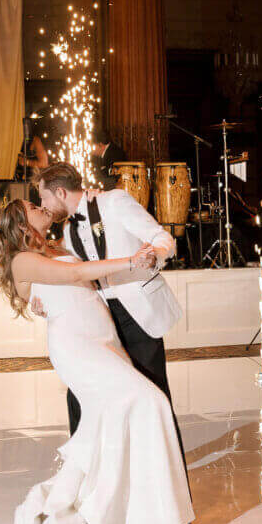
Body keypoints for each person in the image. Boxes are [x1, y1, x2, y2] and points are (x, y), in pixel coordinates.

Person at [0, 198, 194, 524]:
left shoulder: (56, 245)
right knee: (150, 400)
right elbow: (73, 274)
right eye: (32, 206)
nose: (40, 207)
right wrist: (132, 260)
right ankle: (154, 509)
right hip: (78, 347)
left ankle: (118, 507)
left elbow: (74, 283)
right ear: (22, 224)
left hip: (106, 339)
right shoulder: (23, 260)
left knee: (111, 421)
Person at [35, 161, 189, 493]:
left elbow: (163, 237)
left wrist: (153, 254)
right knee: (89, 396)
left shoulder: (115, 201)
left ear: (61, 192)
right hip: (100, 319)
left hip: (138, 313)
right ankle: (97, 485)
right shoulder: (65, 231)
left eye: (44, 197)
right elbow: (74, 275)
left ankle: (170, 492)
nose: (44, 206)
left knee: (154, 396)